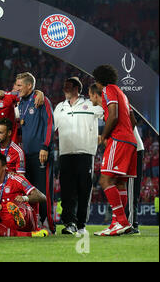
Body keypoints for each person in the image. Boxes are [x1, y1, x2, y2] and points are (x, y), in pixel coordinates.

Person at [91, 65, 137, 236]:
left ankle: (122, 221)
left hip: (118, 139)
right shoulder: (122, 93)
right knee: (119, 183)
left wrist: (105, 136)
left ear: (98, 79)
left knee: (105, 180)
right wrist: (124, 133)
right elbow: (132, 120)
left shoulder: (108, 90)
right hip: (129, 140)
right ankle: (116, 223)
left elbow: (113, 115)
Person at [53, 77, 103, 235]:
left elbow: (108, 113)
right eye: (64, 87)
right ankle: (69, 223)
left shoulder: (91, 104)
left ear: (77, 89)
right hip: (66, 154)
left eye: (67, 87)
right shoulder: (60, 107)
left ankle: (81, 224)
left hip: (85, 153)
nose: (64, 90)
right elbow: (51, 128)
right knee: (67, 191)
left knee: (84, 190)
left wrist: (104, 136)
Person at [14, 72, 55, 234]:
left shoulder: (41, 100)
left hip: (40, 153)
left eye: (19, 85)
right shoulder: (21, 103)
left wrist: (45, 146)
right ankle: (34, 222)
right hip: (25, 155)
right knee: (30, 192)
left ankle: (48, 224)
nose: (17, 89)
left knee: (43, 190)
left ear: (29, 86)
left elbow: (50, 124)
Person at [0, 152, 48, 237]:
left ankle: (19, 218)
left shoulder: (17, 179)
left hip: (26, 218)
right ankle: (28, 234)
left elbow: (42, 197)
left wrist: (24, 198)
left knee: (18, 204)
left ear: (4, 167)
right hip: (4, 222)